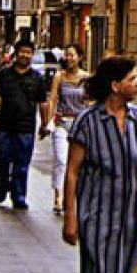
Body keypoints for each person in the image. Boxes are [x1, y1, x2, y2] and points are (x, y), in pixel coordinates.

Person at [61, 56, 137, 273]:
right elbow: (72, 172)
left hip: (130, 219)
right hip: (98, 218)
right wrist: (71, 218)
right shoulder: (88, 121)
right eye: (132, 79)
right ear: (115, 85)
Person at [0, 39, 49, 210]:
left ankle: (19, 196)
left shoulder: (37, 78)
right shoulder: (3, 75)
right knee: (1, 159)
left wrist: (44, 124)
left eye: (28, 52)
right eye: (22, 51)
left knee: (22, 164)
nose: (25, 55)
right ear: (15, 54)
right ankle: (4, 183)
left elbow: (43, 102)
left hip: (26, 127)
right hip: (5, 125)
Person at [45, 44, 91, 215]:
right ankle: (58, 195)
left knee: (79, 162)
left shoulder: (86, 77)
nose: (69, 58)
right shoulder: (59, 76)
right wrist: (47, 120)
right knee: (61, 160)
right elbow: (53, 99)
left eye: (72, 55)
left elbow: (92, 101)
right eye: (67, 55)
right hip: (62, 121)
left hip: (81, 124)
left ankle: (74, 194)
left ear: (80, 57)